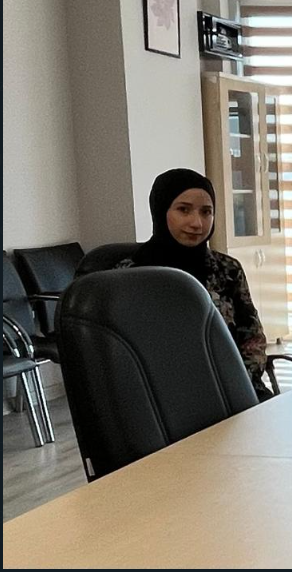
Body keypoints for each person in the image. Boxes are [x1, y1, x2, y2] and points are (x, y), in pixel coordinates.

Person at [116, 168, 272, 402]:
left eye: (206, 212)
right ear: (160, 211)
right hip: (160, 401)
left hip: (233, 390)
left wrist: (237, 381)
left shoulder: (227, 270)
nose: (197, 223)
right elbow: (124, 354)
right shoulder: (129, 276)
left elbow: (252, 337)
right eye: (183, 210)